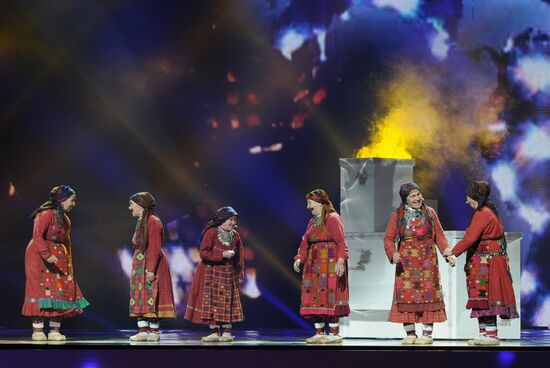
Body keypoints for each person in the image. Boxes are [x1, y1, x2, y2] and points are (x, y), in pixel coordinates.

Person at [444, 181, 518, 346]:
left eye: (469, 197)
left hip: (488, 263)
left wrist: (452, 252)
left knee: (487, 298)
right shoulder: (487, 211)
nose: (466, 201)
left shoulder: (483, 214)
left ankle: (491, 336)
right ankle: (484, 334)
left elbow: (470, 238)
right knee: (480, 298)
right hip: (486, 261)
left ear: (477, 197)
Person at [383, 181, 455, 345]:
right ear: (406, 199)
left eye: (418, 195)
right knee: (407, 297)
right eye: (413, 196)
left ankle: (427, 334)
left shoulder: (429, 213)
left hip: (427, 264)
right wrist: (392, 252)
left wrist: (447, 253)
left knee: (428, 297)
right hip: (406, 266)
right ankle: (410, 334)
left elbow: (440, 237)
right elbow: (388, 238)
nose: (417, 198)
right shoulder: (398, 216)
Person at [22, 185, 90, 341]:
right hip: (39, 256)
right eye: (72, 200)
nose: (74, 204)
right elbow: (37, 236)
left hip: (58, 257)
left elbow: (67, 243)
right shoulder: (45, 214)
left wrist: (69, 263)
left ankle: (54, 330)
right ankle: (38, 330)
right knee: (39, 291)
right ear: (62, 200)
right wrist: (46, 255)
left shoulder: (66, 220)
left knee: (58, 290)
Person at [293, 189, 349, 344]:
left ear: (319, 203)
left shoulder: (333, 218)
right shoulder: (312, 221)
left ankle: (333, 334)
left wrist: (340, 261)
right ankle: (319, 333)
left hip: (330, 263)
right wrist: (299, 258)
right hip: (313, 265)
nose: (307, 207)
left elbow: (341, 241)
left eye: (309, 203)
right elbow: (304, 242)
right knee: (314, 296)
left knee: (331, 296)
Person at [185, 206, 244, 342]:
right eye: (231, 219)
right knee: (212, 302)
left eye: (234, 220)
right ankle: (214, 332)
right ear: (222, 220)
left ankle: (227, 332)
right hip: (210, 274)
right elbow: (203, 253)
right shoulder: (211, 233)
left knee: (227, 302)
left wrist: (239, 272)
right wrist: (222, 254)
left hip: (228, 274)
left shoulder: (235, 236)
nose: (233, 223)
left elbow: (239, 256)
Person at [128, 192, 176, 341]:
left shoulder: (153, 221)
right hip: (140, 264)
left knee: (152, 296)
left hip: (150, 264)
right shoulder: (141, 221)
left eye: (132, 205)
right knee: (140, 297)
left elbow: (155, 247)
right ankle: (143, 331)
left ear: (141, 205)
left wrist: (151, 270)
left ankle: (153, 332)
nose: (130, 208)